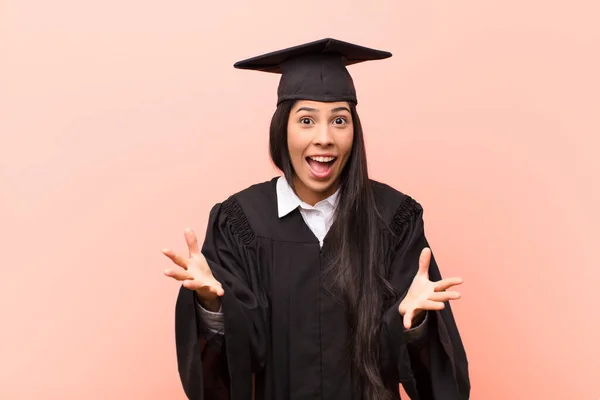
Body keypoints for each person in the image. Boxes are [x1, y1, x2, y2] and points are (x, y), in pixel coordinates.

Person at [162, 38, 470, 400]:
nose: (324, 138)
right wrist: (212, 306)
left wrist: (415, 325)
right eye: (306, 120)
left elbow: (422, 371)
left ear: (354, 132)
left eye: (339, 120)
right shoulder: (240, 222)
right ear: (283, 129)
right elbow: (239, 359)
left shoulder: (392, 220)